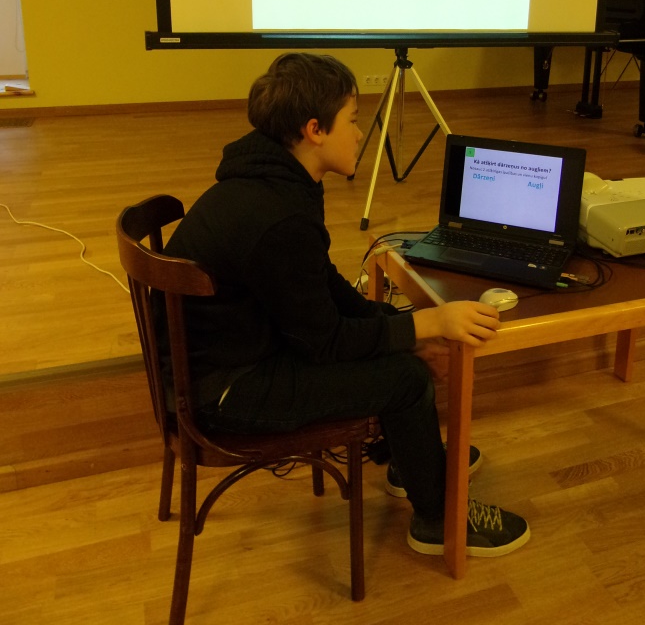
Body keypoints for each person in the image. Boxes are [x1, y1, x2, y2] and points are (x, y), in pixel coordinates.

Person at [164, 52, 529, 557]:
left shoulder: (274, 179)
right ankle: (438, 520)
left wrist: (402, 325)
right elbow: (326, 341)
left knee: (398, 356)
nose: (360, 134)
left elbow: (323, 287)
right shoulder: (277, 216)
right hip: (225, 392)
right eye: (353, 121)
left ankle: (412, 462)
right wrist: (426, 325)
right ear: (314, 130)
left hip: (234, 357)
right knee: (406, 379)